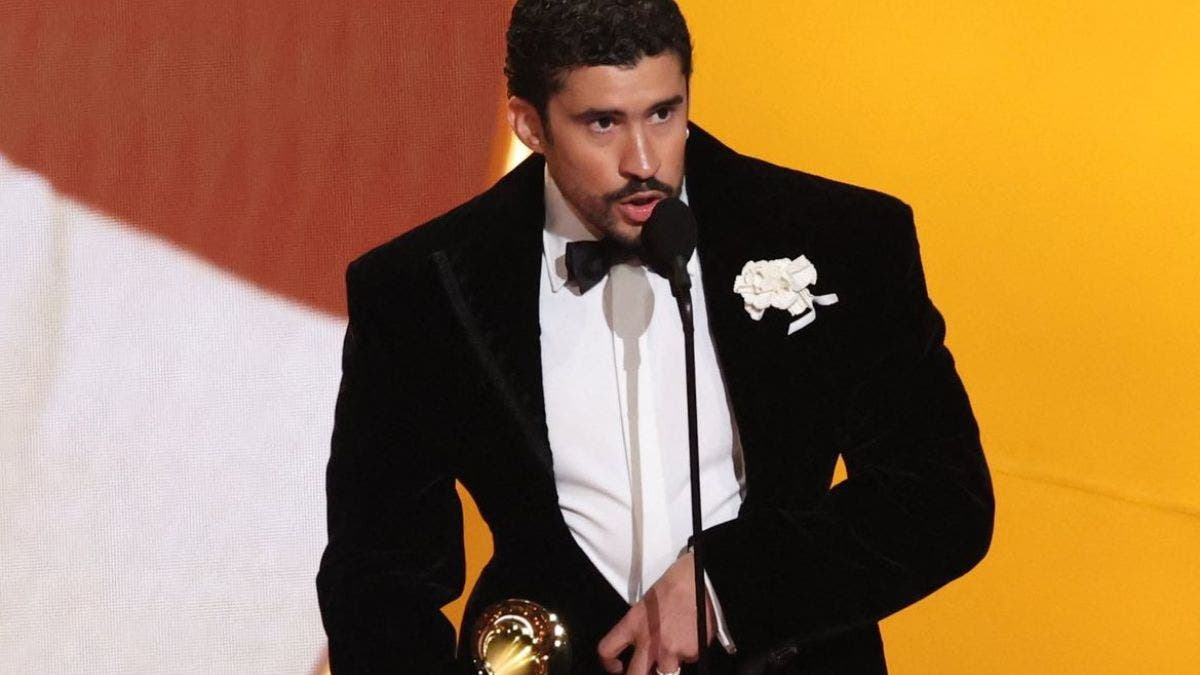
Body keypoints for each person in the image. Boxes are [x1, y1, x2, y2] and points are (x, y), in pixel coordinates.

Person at [316, 1, 994, 673]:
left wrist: (730, 589)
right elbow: (378, 577)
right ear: (530, 124)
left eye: (664, 113)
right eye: (603, 123)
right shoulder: (418, 290)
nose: (644, 161)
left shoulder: (840, 238)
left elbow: (942, 498)